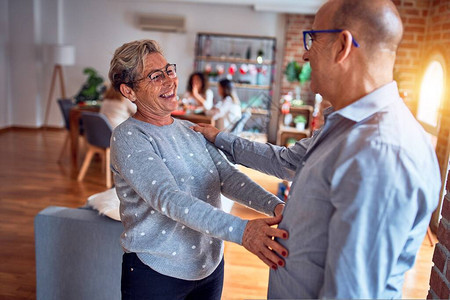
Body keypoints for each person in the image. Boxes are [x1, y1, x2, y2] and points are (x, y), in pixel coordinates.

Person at [192, 0, 441, 298]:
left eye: (313, 38)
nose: (305, 53)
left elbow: (351, 293)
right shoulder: (344, 125)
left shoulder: (381, 151)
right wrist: (219, 138)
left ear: (342, 46)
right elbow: (285, 160)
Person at [108, 39, 288, 300]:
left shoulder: (190, 129)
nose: (170, 81)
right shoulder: (128, 137)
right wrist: (243, 231)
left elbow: (227, 177)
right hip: (157, 272)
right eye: (155, 76)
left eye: (169, 70)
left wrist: (275, 206)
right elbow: (169, 198)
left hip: (209, 266)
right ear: (129, 91)